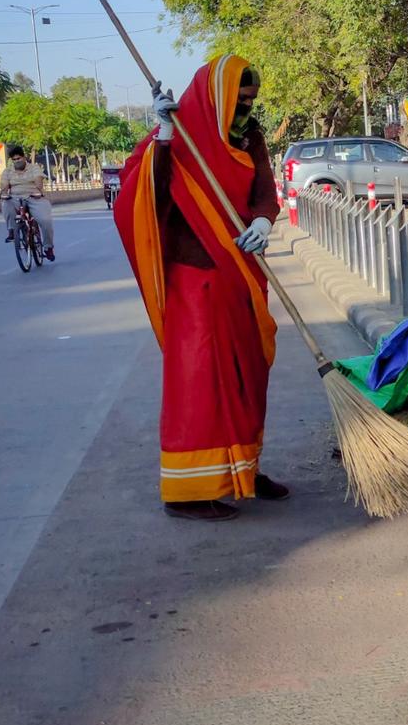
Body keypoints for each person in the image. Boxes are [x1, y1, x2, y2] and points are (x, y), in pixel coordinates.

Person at [114, 56, 286, 522]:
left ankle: (244, 470)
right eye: (238, 100)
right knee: (202, 380)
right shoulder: (177, 135)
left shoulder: (250, 137)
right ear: (216, 96)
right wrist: (165, 135)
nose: (245, 109)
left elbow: (264, 191)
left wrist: (263, 221)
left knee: (248, 375)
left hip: (241, 272)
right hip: (195, 279)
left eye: (250, 101)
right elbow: (146, 194)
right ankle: (188, 491)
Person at [0, 145, 55, 261]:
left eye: (18, 158)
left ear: (24, 157)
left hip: (34, 196)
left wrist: (39, 190)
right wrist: (4, 193)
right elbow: (4, 185)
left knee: (46, 220)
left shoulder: (34, 168)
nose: (17, 161)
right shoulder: (8, 171)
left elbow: (38, 180)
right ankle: (11, 231)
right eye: (14, 159)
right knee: (6, 204)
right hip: (15, 197)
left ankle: (48, 247)